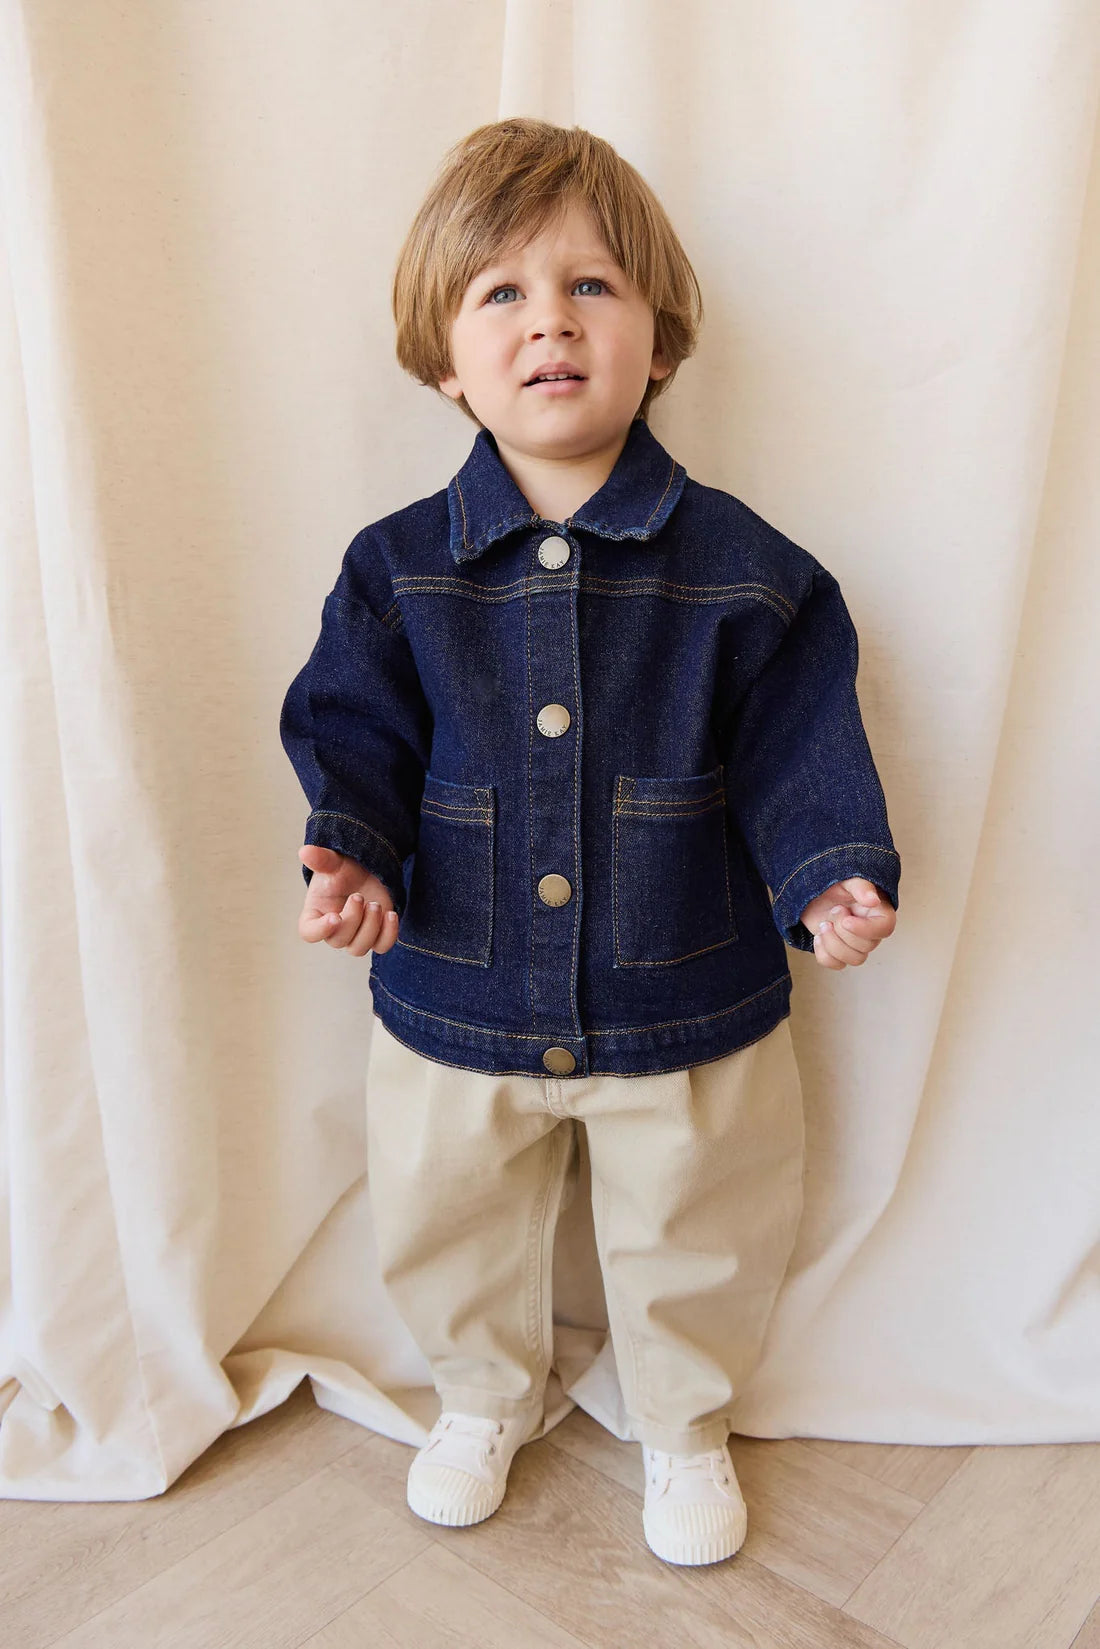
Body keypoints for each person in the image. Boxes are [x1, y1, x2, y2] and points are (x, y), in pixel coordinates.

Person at [280, 117, 900, 1568]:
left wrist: (831, 870)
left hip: (686, 986)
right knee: (447, 1208)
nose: (549, 320)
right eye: (501, 292)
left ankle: (684, 1421)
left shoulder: (752, 571)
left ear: (659, 339)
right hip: (457, 983)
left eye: (591, 287)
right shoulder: (396, 567)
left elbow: (800, 740)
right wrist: (351, 855)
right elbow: (353, 729)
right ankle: (482, 1396)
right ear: (445, 359)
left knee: (704, 1215)